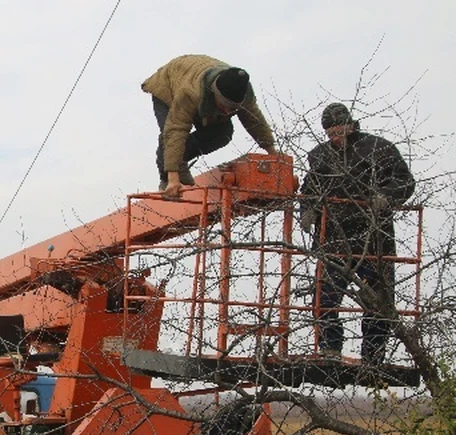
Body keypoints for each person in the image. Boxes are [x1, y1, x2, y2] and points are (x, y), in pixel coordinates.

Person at [299, 102, 415, 366]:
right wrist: (307, 211)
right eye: (330, 134)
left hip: (374, 240)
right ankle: (330, 349)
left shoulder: (379, 149)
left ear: (351, 125)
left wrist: (386, 197)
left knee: (377, 301)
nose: (335, 138)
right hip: (333, 240)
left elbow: (405, 181)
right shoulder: (320, 156)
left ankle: (373, 357)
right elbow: (309, 189)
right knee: (325, 297)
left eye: (339, 131)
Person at [142, 54, 277, 200]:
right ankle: (168, 176)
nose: (227, 112)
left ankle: (178, 164)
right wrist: (173, 178)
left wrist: (273, 154)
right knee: (170, 136)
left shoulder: (244, 94)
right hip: (169, 85)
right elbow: (176, 130)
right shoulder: (191, 92)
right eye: (224, 106)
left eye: (232, 109)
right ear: (214, 93)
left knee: (223, 133)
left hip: (202, 97)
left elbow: (255, 122)